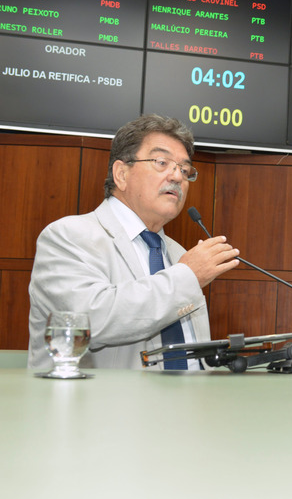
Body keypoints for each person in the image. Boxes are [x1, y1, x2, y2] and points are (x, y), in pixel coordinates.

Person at [27, 114, 240, 370]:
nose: (177, 176)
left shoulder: (180, 254)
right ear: (121, 174)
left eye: (185, 170)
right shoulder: (68, 236)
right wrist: (187, 277)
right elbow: (91, 321)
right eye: (162, 162)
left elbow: (193, 354)